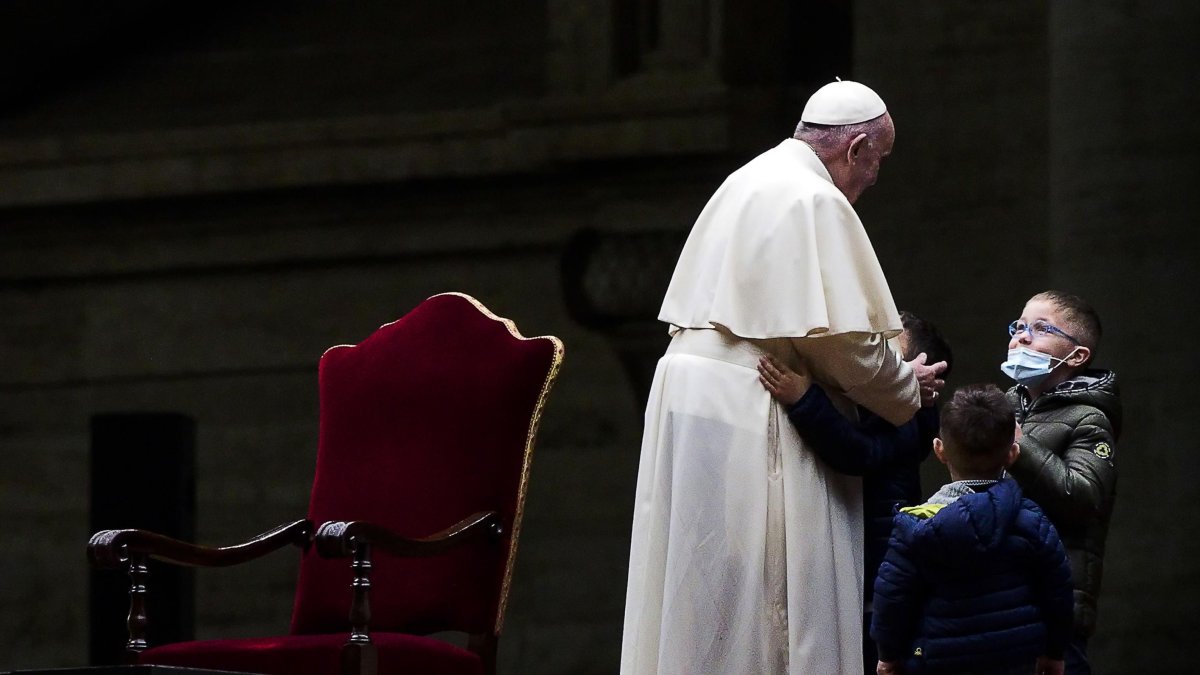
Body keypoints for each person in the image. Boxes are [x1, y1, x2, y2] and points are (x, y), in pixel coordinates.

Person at [619, 80, 947, 675]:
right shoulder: (814, 200)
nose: (875, 179)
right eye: (878, 162)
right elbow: (845, 346)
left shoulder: (746, 179)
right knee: (774, 581)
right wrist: (905, 387)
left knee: (697, 582)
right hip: (750, 398)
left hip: (689, 393)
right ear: (855, 150)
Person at [756, 310, 953, 675]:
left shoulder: (910, 416)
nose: (871, 363)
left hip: (874, 586)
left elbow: (858, 452)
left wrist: (804, 399)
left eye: (886, 355)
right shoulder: (881, 409)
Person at [871, 384, 1074, 675]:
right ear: (1012, 453)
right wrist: (1054, 651)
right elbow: (1058, 592)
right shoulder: (1032, 521)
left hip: (938, 660)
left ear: (939, 450)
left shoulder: (915, 526)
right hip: (1014, 659)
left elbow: (892, 598)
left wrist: (888, 655)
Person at [1000, 291, 1120, 675]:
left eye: (1040, 328)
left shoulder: (1090, 419)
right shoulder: (1007, 404)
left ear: (1078, 356)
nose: (1022, 336)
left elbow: (1083, 497)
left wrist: (1017, 443)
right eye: (1018, 326)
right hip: (999, 599)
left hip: (1053, 610)